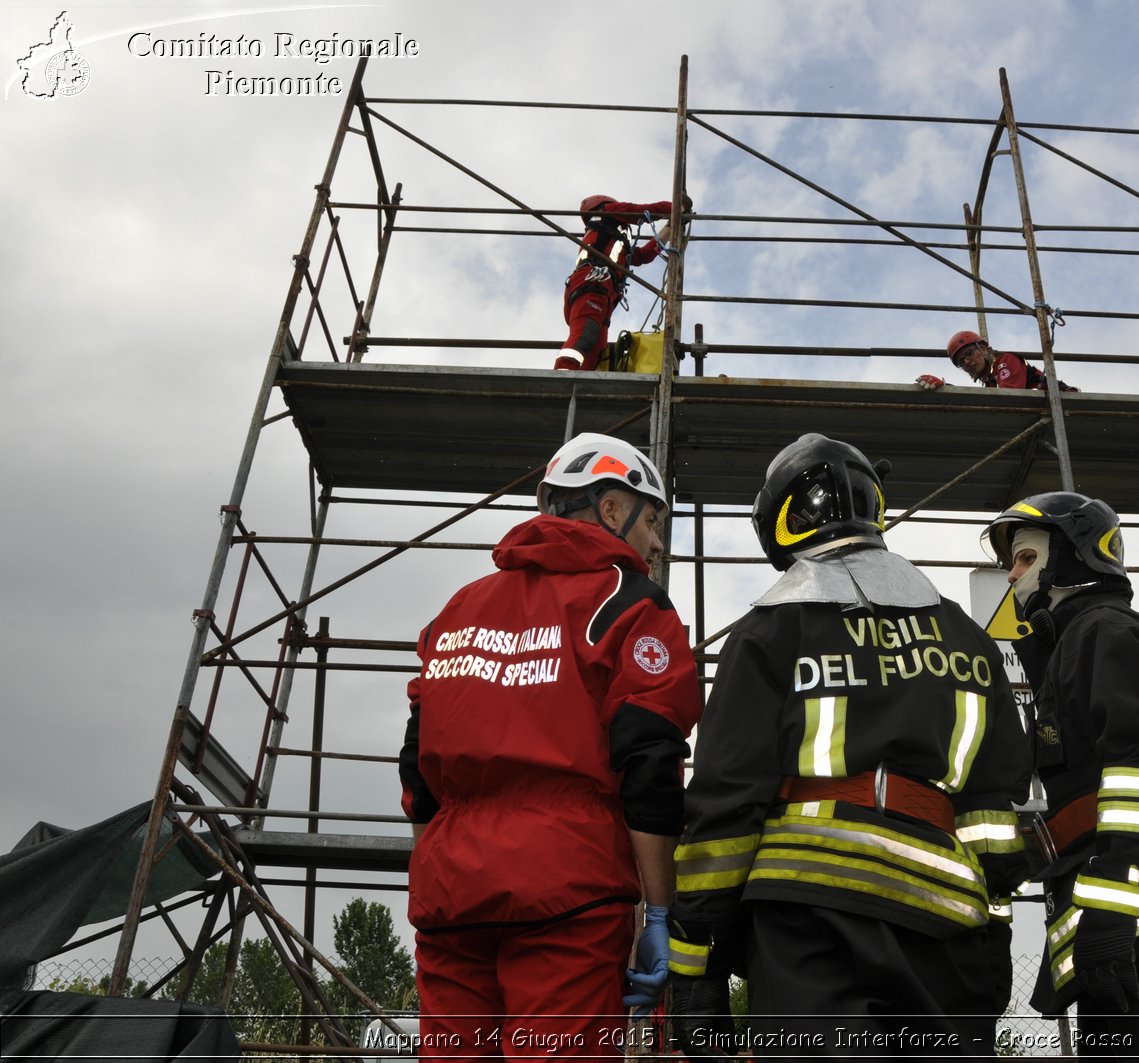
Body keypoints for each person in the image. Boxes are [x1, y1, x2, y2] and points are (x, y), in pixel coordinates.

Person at [666, 433, 1032, 1060]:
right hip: (944, 921)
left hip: (810, 915)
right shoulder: (966, 638)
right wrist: (993, 934)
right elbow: (996, 815)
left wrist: (696, 961)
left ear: (782, 521)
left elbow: (726, 802)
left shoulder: (769, 629)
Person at [399, 432, 702, 1059]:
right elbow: (649, 759)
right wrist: (657, 914)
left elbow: (418, 768)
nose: (658, 541)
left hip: (450, 898)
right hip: (569, 895)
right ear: (613, 510)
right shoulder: (628, 601)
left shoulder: (458, 609)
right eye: (653, 520)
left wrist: (436, 878)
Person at [983, 492, 1139, 1059]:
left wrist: (1111, 910)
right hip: (1128, 922)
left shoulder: (1106, 634)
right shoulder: (1077, 644)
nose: (1012, 574)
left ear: (1070, 559)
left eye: (1025, 558)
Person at [557, 194, 686, 371]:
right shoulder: (608, 211)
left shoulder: (610, 237)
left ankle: (579, 384)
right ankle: (563, 372)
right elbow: (641, 211)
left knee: (597, 350)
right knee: (585, 335)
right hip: (592, 282)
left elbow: (642, 256)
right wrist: (677, 207)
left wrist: (670, 228)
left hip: (601, 289)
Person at [915, 330, 1079, 392]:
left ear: (984, 349)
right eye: (961, 361)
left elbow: (1008, 400)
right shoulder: (991, 381)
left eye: (970, 353)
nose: (967, 362)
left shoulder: (1005, 361)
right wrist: (946, 390)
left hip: (1062, 404)